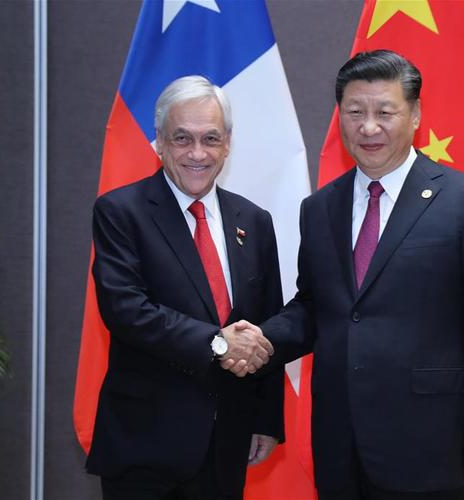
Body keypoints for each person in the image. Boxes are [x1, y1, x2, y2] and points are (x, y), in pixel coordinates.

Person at [225, 50, 464, 500]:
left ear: (416, 114)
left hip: (432, 443)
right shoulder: (320, 207)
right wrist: (259, 339)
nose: (368, 127)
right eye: (354, 112)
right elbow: (315, 306)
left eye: (385, 112)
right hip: (340, 441)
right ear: (339, 116)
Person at [85, 75, 285, 500]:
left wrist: (266, 418)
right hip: (145, 444)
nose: (198, 153)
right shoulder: (121, 212)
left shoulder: (254, 220)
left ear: (228, 144)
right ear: (158, 142)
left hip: (227, 441)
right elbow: (126, 311)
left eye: (211, 138)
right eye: (182, 139)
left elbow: (266, 323)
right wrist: (217, 343)